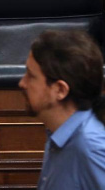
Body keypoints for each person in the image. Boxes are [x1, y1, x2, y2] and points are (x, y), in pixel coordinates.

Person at [19, 30, 105, 190]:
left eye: (30, 76)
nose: (22, 83)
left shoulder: (91, 149)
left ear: (60, 90)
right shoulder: (57, 135)